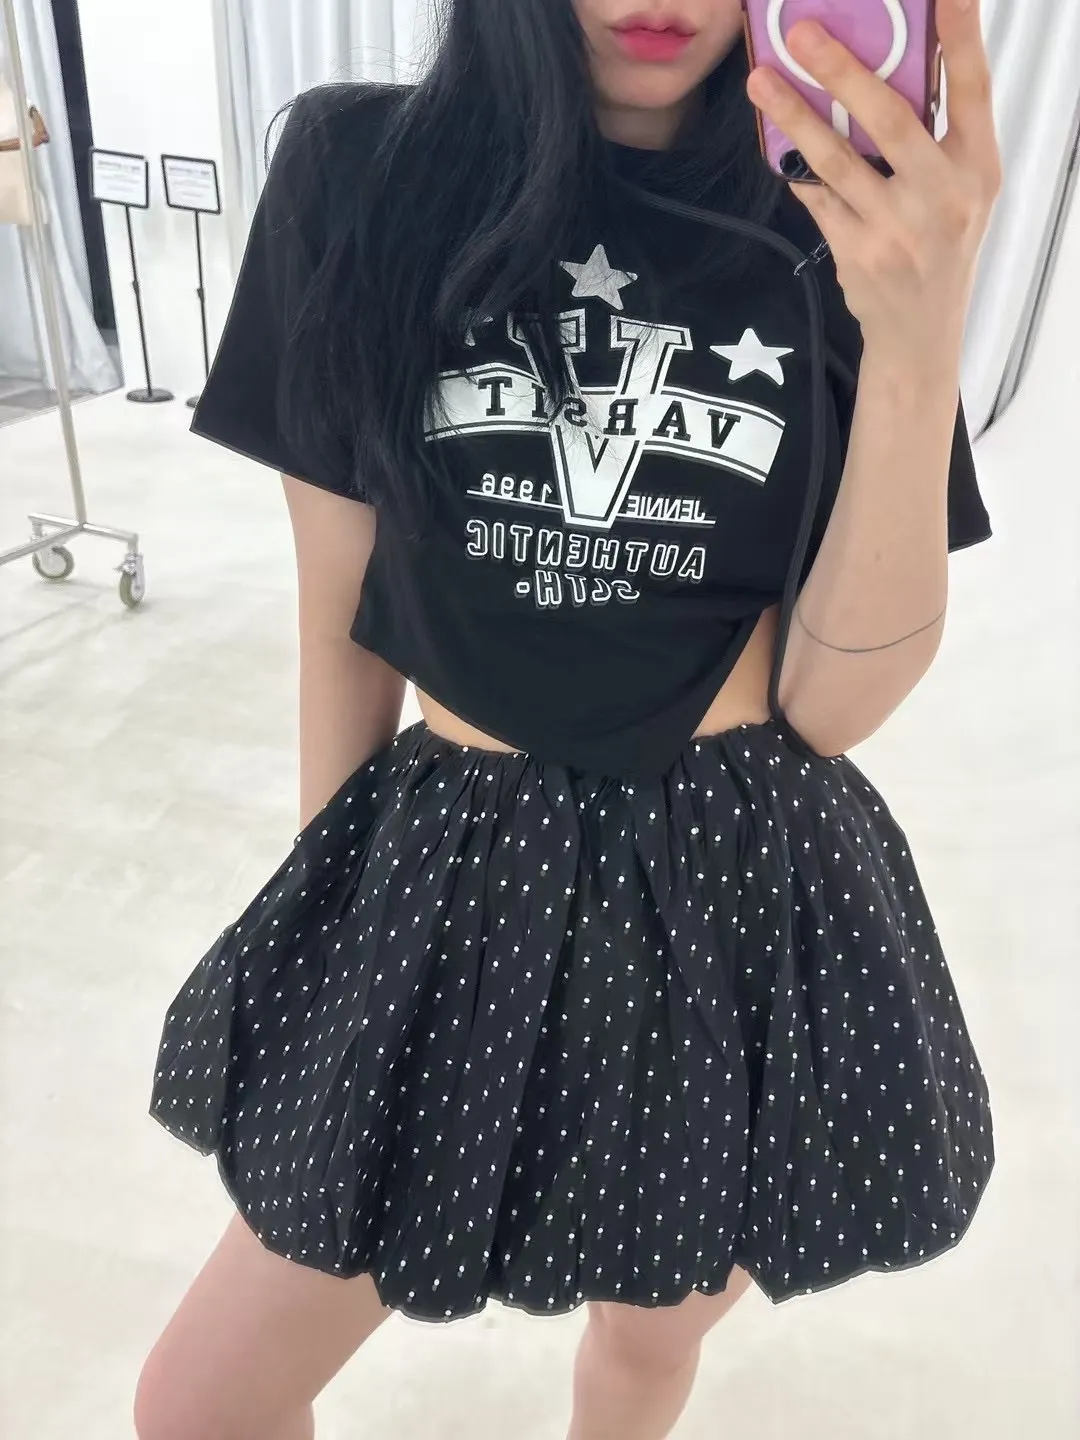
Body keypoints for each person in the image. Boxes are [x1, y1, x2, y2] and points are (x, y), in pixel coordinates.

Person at [135, 2, 1002, 1437]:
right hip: (459, 872)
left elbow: (835, 704)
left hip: (739, 886)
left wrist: (918, 340)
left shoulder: (834, 213)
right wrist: (333, 913)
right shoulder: (360, 172)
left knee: (651, 1342)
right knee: (202, 1402)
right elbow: (339, 608)